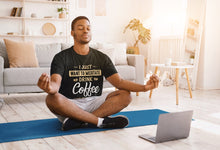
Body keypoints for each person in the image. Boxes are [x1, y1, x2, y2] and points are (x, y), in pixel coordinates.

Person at [37, 16, 159, 131]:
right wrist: (49, 88)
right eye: (80, 28)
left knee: (125, 95)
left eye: (88, 28)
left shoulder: (101, 57)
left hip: (94, 102)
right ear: (72, 33)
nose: (85, 31)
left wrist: (145, 87)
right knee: (51, 99)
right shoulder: (61, 57)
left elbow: (119, 82)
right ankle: (100, 122)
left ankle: (79, 121)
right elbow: (55, 85)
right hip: (70, 105)